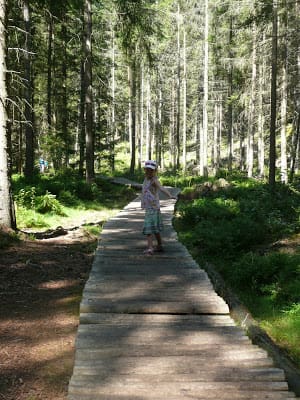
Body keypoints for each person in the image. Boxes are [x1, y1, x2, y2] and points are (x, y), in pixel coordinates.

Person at [141, 160, 174, 255]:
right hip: (149, 207)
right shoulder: (146, 179)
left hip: (153, 207)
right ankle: (159, 245)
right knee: (155, 228)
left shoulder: (154, 180)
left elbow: (161, 188)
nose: (149, 172)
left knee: (148, 227)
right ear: (145, 170)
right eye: (147, 170)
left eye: (151, 170)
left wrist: (169, 195)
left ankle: (150, 248)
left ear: (155, 171)